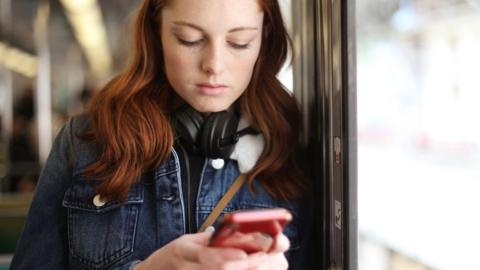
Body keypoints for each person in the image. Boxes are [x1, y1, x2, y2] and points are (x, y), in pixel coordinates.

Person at [11, 0, 313, 269]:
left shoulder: (290, 149)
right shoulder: (85, 142)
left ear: (265, 37)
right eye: (189, 39)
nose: (214, 66)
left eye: (239, 42)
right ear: (156, 34)